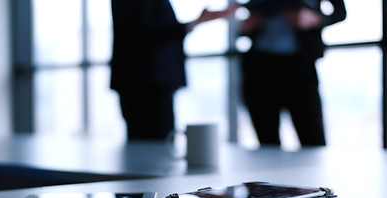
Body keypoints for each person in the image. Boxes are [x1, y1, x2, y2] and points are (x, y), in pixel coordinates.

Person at [110, 0, 237, 141]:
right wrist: (196, 22)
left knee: (152, 139)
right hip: (147, 79)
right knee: (154, 140)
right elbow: (142, 34)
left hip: (147, 78)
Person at [240, 0, 346, 146]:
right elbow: (245, 20)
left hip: (300, 67)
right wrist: (247, 25)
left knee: (313, 141)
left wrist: (313, 18)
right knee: (267, 144)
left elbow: (340, 13)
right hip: (260, 68)